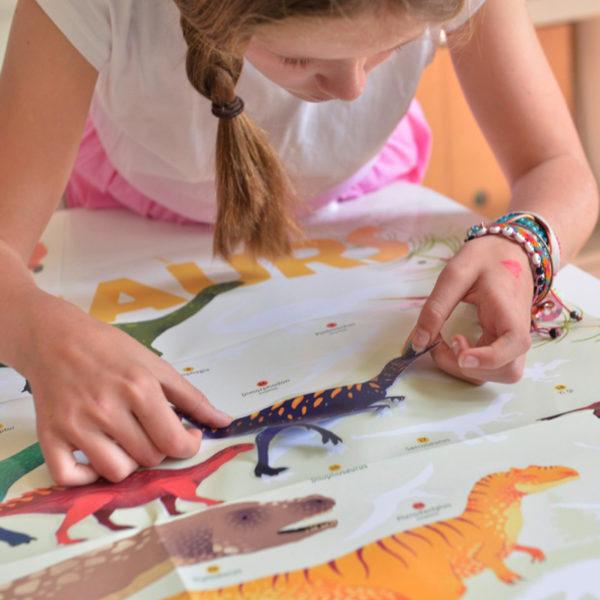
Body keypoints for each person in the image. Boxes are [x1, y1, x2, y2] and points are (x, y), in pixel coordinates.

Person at [0, 0, 597, 486]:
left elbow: (557, 167)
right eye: (298, 57)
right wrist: (39, 333)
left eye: (392, 46)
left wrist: (523, 245)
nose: (353, 90)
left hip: (356, 193)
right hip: (132, 207)